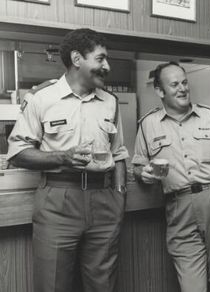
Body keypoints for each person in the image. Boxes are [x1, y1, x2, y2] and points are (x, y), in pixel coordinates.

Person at [7, 28, 129, 292]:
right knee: (53, 284)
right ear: (77, 59)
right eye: (100, 59)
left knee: (103, 285)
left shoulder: (110, 101)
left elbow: (118, 154)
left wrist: (119, 194)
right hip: (58, 200)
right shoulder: (42, 97)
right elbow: (17, 152)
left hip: (104, 200)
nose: (107, 66)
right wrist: (61, 157)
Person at [132, 62, 210, 292]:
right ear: (159, 91)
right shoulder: (148, 125)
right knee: (191, 285)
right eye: (174, 84)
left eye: (184, 82)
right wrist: (142, 174)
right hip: (179, 206)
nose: (182, 88)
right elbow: (138, 164)